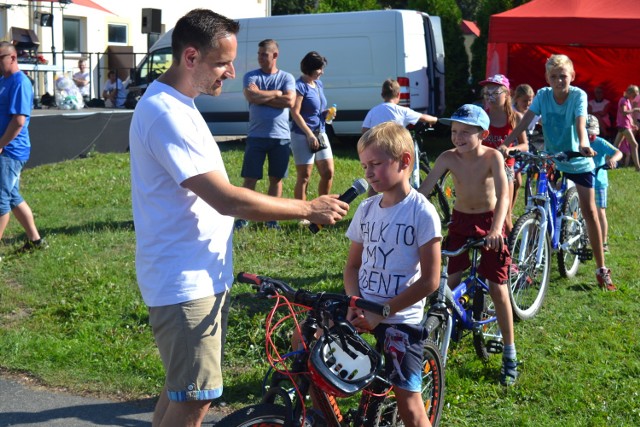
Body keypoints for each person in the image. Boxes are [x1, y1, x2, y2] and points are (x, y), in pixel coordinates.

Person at [128, 9, 348, 427]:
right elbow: (226, 199)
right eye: (222, 62)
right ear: (190, 57)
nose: (231, 72)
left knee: (182, 390)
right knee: (195, 399)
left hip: (195, 277)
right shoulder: (166, 113)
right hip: (184, 284)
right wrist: (308, 207)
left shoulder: (178, 103)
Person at [344, 121, 441, 426]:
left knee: (410, 405)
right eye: (364, 165)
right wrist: (354, 301)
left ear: (405, 161)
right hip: (362, 309)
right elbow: (352, 266)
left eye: (375, 164)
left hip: (399, 319)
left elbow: (430, 280)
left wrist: (381, 313)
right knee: (310, 343)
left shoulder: (421, 212)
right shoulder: (366, 209)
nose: (368, 172)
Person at [418, 104, 519, 386]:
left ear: (483, 134)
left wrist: (498, 228)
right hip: (461, 222)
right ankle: (445, 332)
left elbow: (502, 197)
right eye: (454, 131)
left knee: (498, 287)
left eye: (465, 132)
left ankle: (510, 353)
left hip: (490, 223)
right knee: (451, 281)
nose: (458, 137)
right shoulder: (448, 157)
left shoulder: (493, 157)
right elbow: (425, 190)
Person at [503, 54, 616, 291]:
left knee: (590, 211)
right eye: (553, 76)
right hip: (553, 157)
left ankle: (601, 268)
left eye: (563, 76)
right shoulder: (543, 96)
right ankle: (541, 244)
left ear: (572, 76)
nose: (558, 81)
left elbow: (580, 124)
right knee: (540, 199)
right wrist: (508, 142)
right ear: (547, 78)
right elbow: (524, 122)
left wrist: (584, 145)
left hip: (577, 158)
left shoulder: (578, 96)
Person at [234, 39, 295, 231]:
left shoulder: (287, 77)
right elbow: (251, 97)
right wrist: (277, 94)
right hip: (256, 136)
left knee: (276, 179)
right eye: (259, 54)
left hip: (280, 137)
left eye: (264, 54)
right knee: (250, 179)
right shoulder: (251, 76)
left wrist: (265, 95)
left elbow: (289, 101)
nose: (260, 58)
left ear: (275, 55)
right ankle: (243, 217)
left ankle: (271, 219)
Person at [0, 41, 46, 254]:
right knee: (12, 196)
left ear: (13, 57)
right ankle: (36, 241)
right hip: (5, 148)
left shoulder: (20, 82)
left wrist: (1, 145)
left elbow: (18, 121)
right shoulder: (4, 80)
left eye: (0, 59)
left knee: (1, 200)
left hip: (9, 150)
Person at [479, 74, 528, 234]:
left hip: (505, 169)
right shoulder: (482, 116)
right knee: (482, 213)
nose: (489, 97)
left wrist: (510, 150)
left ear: (506, 94)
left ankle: (508, 253)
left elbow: (525, 145)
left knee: (505, 218)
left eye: (494, 93)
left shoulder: (515, 118)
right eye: (487, 93)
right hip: (484, 167)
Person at [290, 51, 334, 216]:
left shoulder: (318, 84)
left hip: (320, 132)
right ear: (310, 68)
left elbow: (317, 109)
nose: (322, 72)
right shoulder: (299, 86)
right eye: (319, 69)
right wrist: (309, 134)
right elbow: (295, 113)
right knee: (304, 176)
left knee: (328, 172)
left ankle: (323, 208)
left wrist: (326, 113)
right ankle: (303, 213)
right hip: (302, 134)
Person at [586, 114, 622, 254]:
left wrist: (612, 159)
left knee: (600, 212)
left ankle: (604, 242)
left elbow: (618, 152)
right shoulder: (577, 141)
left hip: (599, 182)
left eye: (592, 134)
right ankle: (585, 237)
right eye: (587, 134)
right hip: (583, 180)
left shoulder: (600, 142)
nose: (590, 137)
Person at [361, 79, 438, 133]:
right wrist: (435, 119)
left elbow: (364, 131)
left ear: (382, 95)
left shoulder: (372, 111)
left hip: (378, 149)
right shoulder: (403, 111)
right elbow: (423, 117)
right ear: (398, 95)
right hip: (397, 150)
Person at [612, 85, 640, 171]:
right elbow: (624, 112)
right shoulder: (623, 100)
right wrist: (635, 109)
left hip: (624, 125)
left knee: (615, 146)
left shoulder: (627, 100)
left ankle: (607, 161)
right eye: (634, 95)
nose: (634, 97)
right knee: (634, 145)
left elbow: (626, 116)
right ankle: (638, 168)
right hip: (624, 126)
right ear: (630, 93)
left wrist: (632, 124)